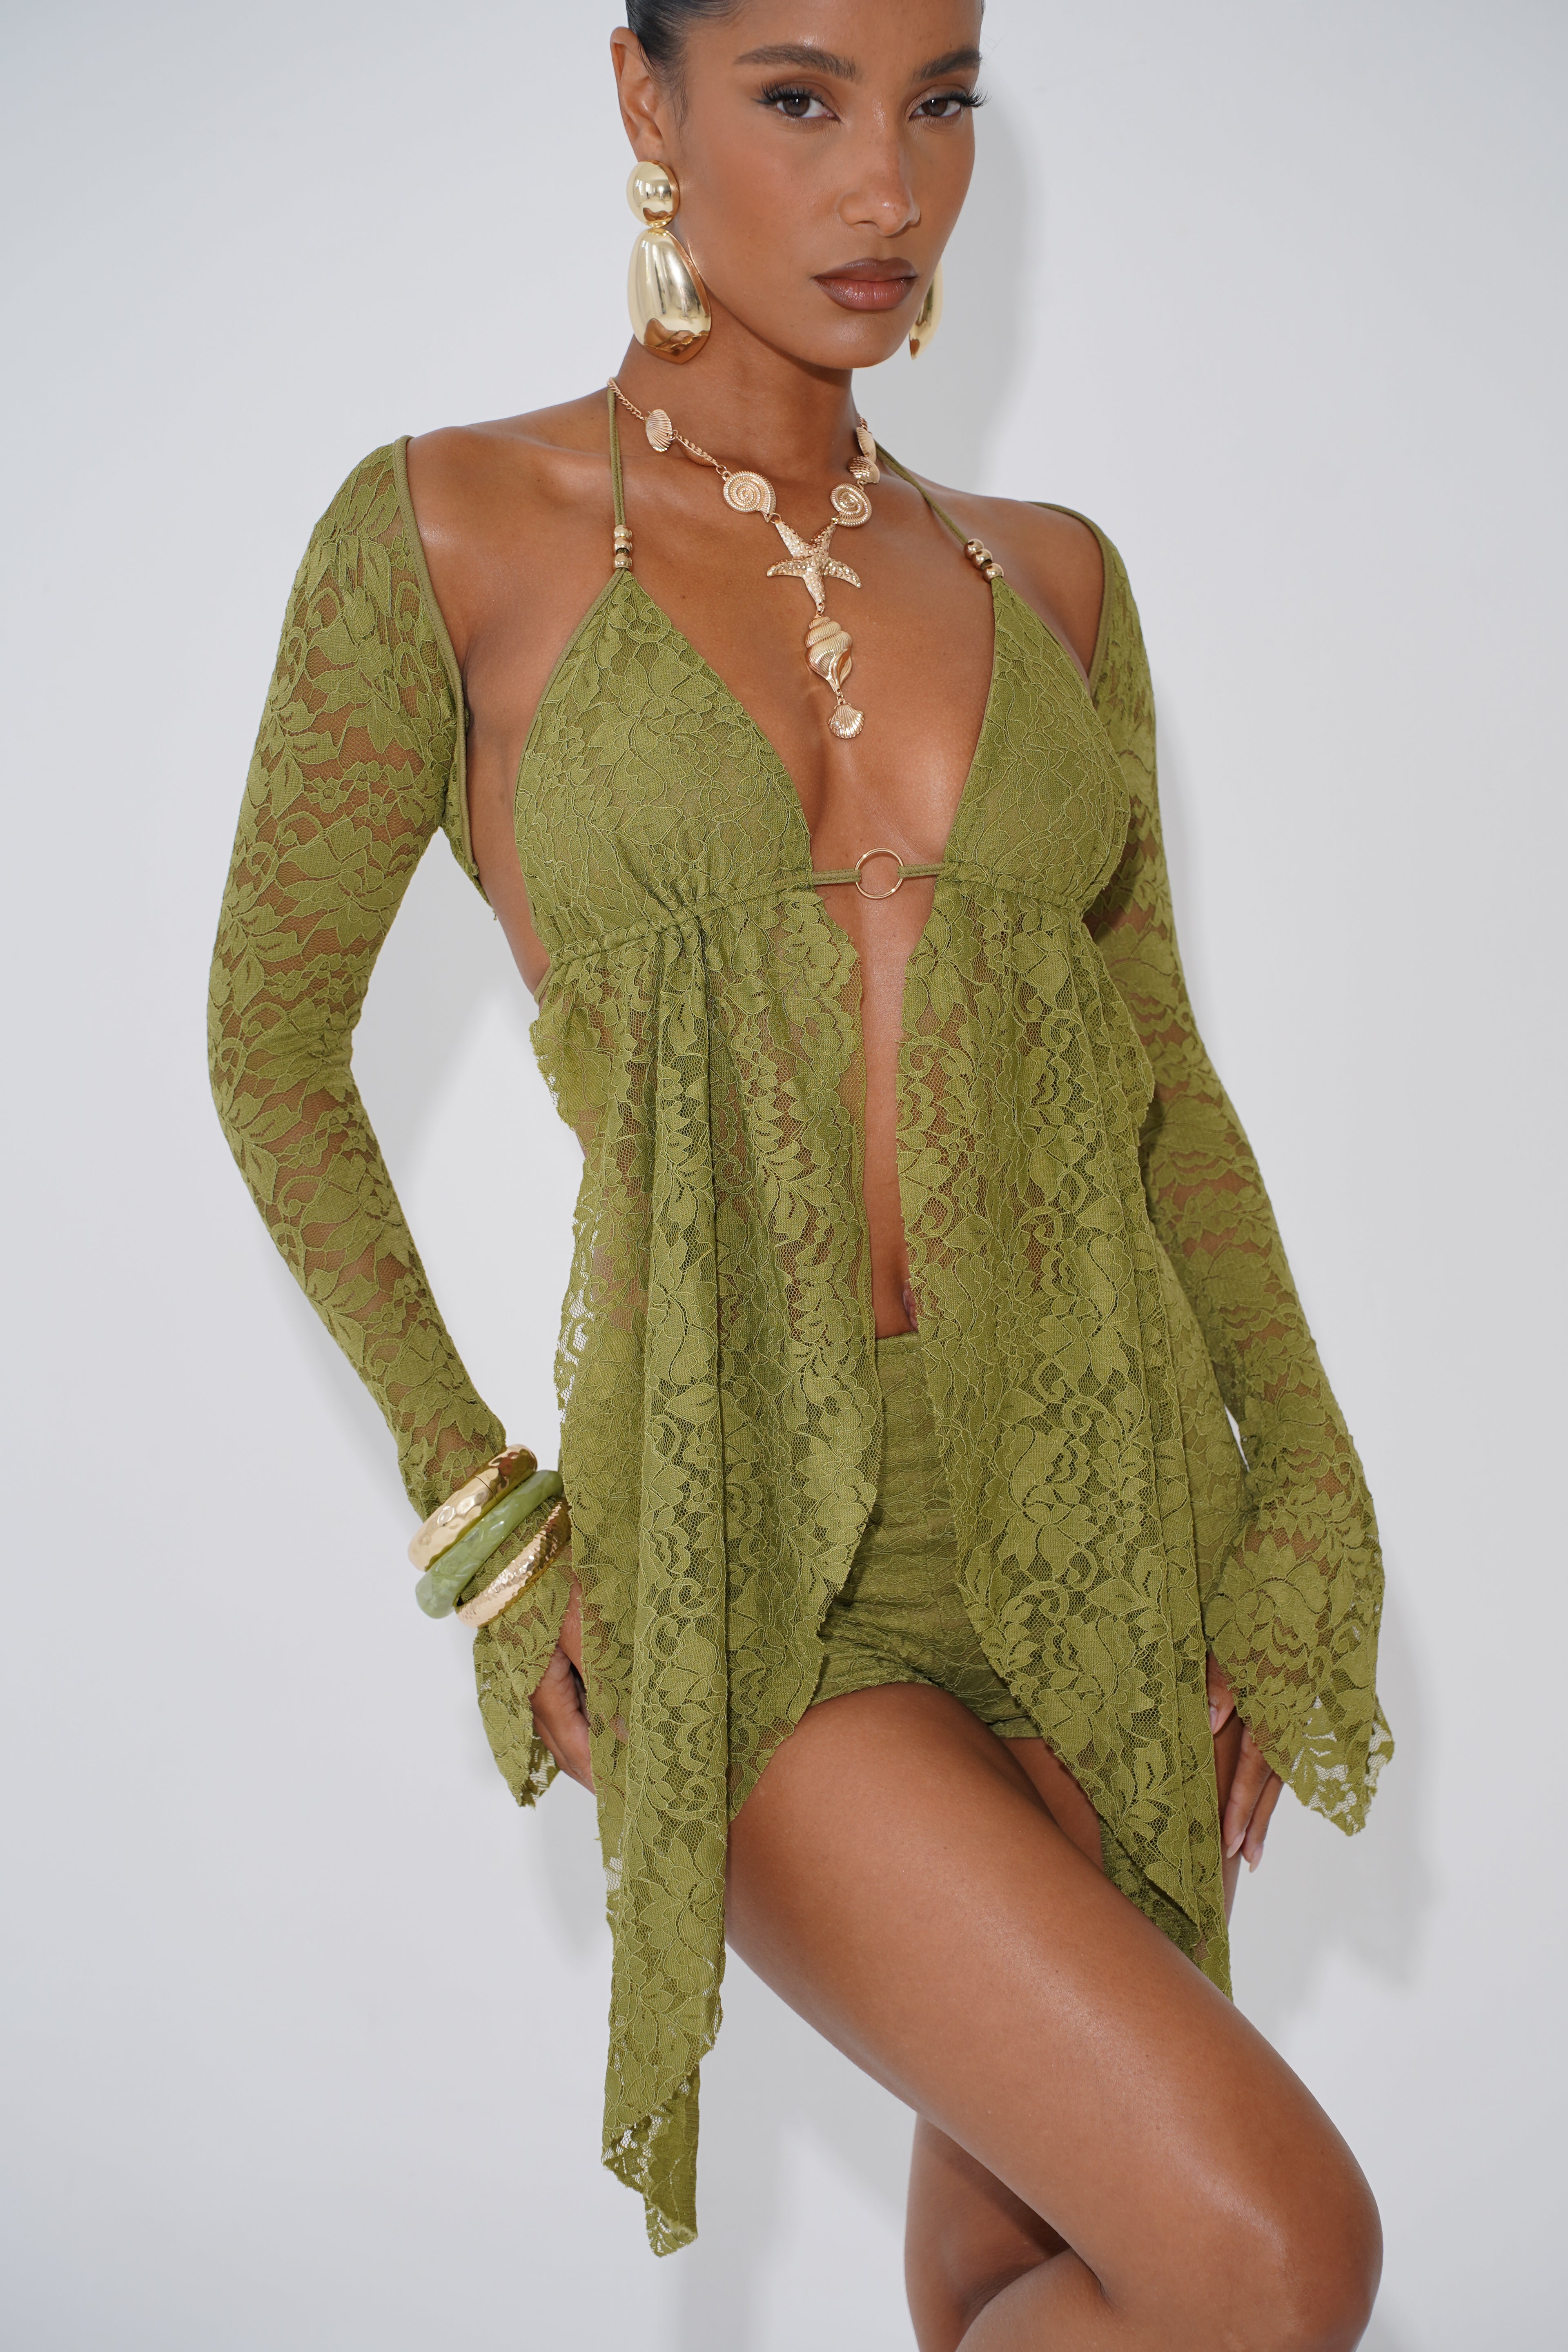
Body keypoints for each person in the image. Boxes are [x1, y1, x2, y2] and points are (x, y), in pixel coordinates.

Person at [208, 3, 1394, 2342]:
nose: (889, 186)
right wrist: (484, 1515)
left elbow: (1161, 1081)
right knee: (1273, 2262)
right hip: (747, 1555)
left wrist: (1303, 1506)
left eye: (942, 101)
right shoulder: (447, 533)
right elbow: (270, 1048)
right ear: (643, 100)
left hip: (1098, 1505)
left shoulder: (1053, 578)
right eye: (799, 96)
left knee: (1034, 2276)